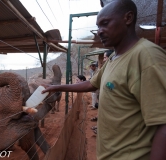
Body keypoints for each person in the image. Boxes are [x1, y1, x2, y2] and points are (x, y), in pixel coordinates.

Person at [42, 0, 166, 159]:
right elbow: (91, 84)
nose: (100, 31)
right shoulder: (114, 58)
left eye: (105, 24)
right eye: (98, 26)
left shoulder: (146, 57)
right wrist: (57, 88)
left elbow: (163, 124)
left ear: (128, 18)